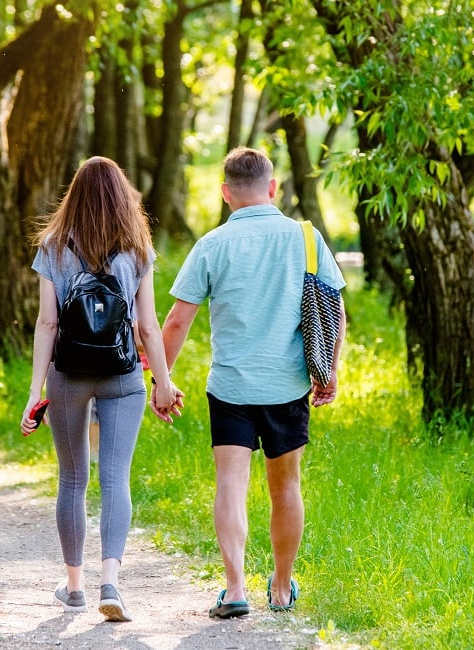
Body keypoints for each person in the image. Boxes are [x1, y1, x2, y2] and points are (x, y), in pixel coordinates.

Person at [159, 146, 347, 618]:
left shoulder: (212, 245)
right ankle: (282, 588)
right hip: (288, 385)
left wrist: (160, 379)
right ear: (273, 188)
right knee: (286, 487)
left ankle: (236, 587)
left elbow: (179, 321)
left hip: (231, 389)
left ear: (225, 193)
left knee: (231, 484)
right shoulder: (305, 238)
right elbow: (336, 309)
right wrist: (330, 370)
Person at [21, 156, 181, 623]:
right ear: (122, 196)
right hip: (122, 375)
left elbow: (47, 322)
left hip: (68, 374)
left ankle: (74, 587)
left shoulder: (53, 245)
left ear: (73, 195)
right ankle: (110, 581)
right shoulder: (138, 247)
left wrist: (36, 390)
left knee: (72, 479)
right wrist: (164, 382)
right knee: (115, 478)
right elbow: (148, 326)